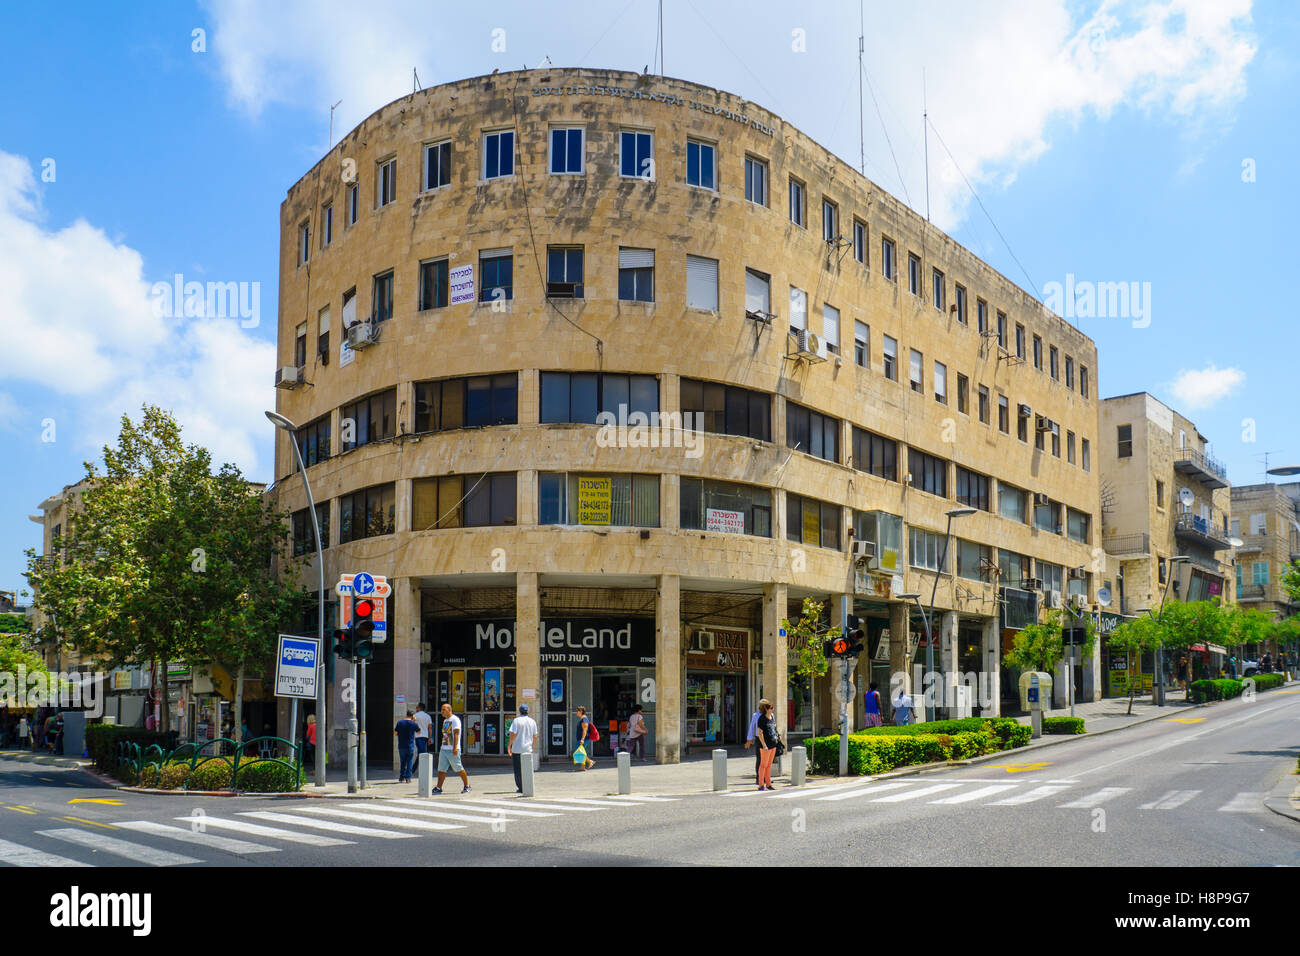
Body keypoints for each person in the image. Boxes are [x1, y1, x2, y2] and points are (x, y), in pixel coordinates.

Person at [433, 703, 470, 794]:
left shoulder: (455, 720)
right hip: (444, 748)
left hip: (452, 748)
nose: (442, 711)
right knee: (441, 769)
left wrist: (455, 748)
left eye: (443, 709)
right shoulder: (445, 721)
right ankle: (439, 787)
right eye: (441, 709)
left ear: (449, 710)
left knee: (458, 768)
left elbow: (456, 734)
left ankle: (467, 786)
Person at [507, 704, 539, 794]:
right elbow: (535, 736)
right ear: (528, 711)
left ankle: (520, 787)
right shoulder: (532, 721)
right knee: (527, 769)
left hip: (517, 749)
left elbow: (513, 734)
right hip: (527, 749)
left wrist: (509, 745)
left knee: (518, 770)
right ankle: (527, 786)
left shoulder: (516, 721)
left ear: (519, 711)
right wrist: (532, 746)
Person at [754, 698, 779, 791]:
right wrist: (764, 745)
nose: (773, 709)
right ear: (766, 709)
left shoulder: (772, 717)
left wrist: (778, 735)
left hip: (773, 744)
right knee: (763, 765)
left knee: (769, 765)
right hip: (766, 745)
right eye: (771, 708)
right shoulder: (762, 719)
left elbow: (774, 729)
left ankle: (768, 784)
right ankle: (761, 784)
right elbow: (760, 733)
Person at [394, 710, 419, 783]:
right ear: (412, 716)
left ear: (406, 714)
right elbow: (418, 731)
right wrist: (414, 721)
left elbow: (395, 733)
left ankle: (401, 777)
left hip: (401, 745)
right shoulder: (413, 724)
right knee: (410, 762)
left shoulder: (399, 722)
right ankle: (408, 778)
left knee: (403, 762)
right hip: (410, 745)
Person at [412, 702, 433, 771]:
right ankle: (415, 768)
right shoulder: (428, 716)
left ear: (419, 708)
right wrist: (430, 737)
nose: (416, 708)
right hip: (425, 736)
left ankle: (415, 769)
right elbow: (430, 727)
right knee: (422, 752)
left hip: (418, 736)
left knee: (422, 753)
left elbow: (412, 726)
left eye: (417, 707)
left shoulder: (415, 716)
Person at [574, 705, 596, 770]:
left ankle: (590, 761)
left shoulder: (584, 719)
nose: (576, 712)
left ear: (581, 711)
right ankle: (582, 767)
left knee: (579, 752)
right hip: (582, 739)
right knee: (581, 751)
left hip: (584, 739)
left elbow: (585, 730)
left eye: (577, 711)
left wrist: (582, 739)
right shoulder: (583, 719)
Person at [745, 706, 762, 780]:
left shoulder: (771, 715)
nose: (771, 709)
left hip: (768, 739)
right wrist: (749, 739)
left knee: (767, 760)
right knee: (759, 758)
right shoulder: (756, 715)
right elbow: (752, 727)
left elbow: (774, 726)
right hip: (759, 738)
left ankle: (766, 778)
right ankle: (759, 777)